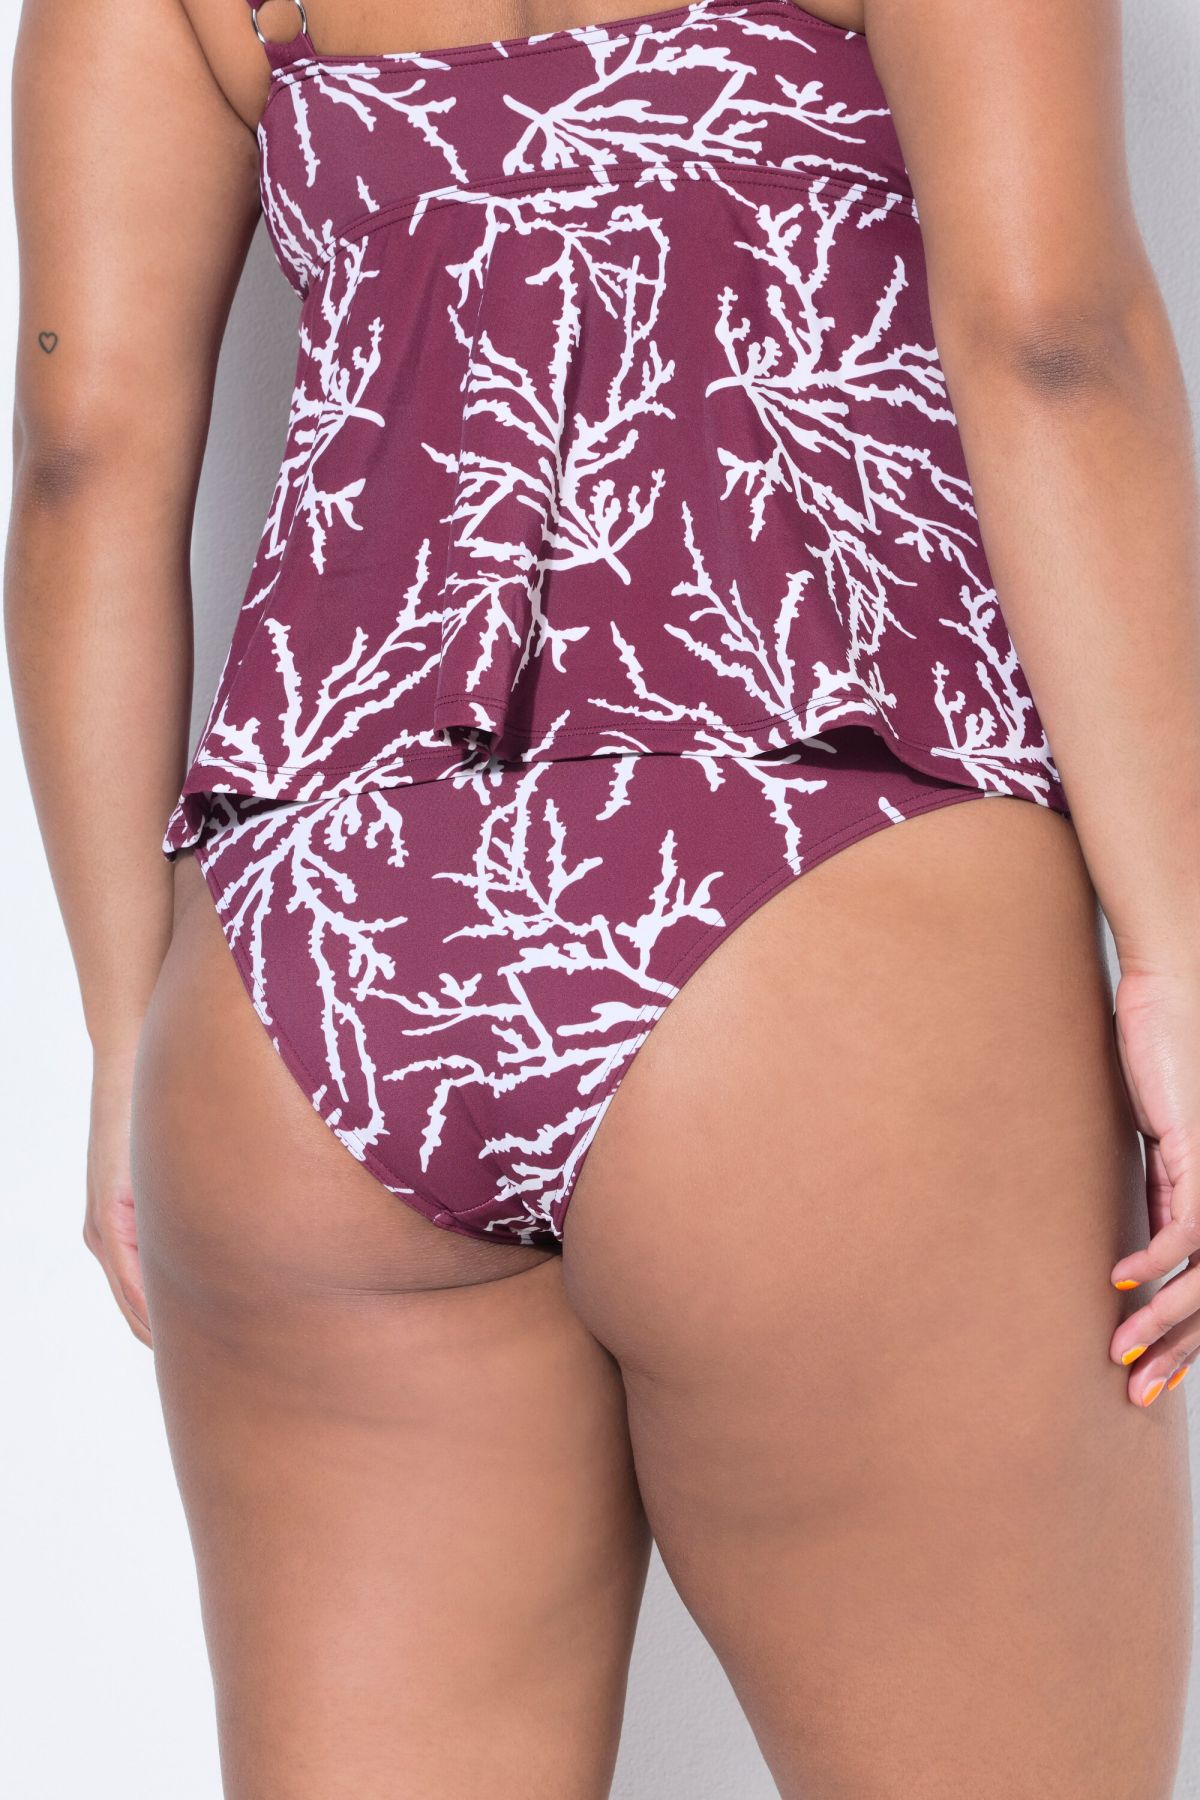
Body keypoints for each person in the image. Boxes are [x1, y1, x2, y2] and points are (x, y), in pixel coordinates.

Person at [7, 0, 1198, 1793]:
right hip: (822, 882)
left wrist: (125, 1036)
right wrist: (1180, 953)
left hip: (320, 957)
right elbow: (1051, 340)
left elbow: (79, 461)